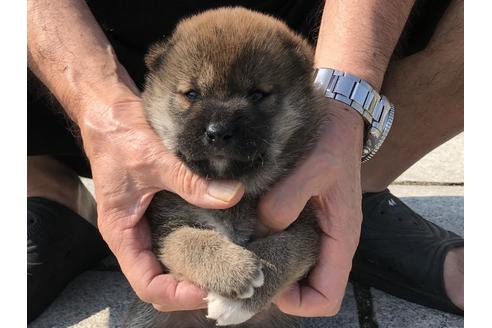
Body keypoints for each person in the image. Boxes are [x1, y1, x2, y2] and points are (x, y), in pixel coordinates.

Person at [27, 0, 463, 323]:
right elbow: (176, 238)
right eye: (192, 96)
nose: (217, 127)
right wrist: (96, 104)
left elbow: (293, 242)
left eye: (255, 98)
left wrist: (346, 106)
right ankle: (47, 188)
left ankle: (350, 192)